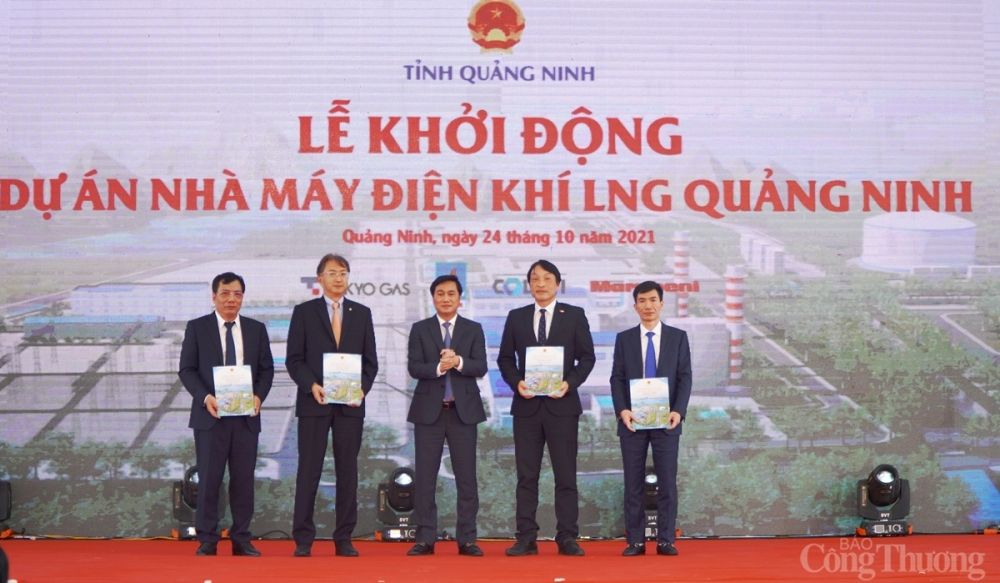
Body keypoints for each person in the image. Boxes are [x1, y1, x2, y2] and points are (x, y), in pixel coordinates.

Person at [497, 260, 595, 556]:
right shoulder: (516, 317)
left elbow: (587, 358)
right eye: (535, 278)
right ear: (529, 284)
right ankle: (526, 537)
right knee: (526, 477)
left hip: (562, 406)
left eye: (547, 278)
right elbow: (505, 359)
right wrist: (517, 383)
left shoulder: (574, 315)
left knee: (565, 475)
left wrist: (569, 383)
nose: (540, 283)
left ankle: (567, 537)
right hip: (526, 407)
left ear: (557, 284)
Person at [287, 254, 378, 557]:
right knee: (309, 470)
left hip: (350, 406)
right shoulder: (304, 313)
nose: (338, 278)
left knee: (347, 471)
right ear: (320, 278)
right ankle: (303, 539)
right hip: (314, 403)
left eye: (343, 273)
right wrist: (311, 385)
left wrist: (362, 389)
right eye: (332, 273)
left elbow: (370, 362)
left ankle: (344, 538)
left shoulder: (361, 313)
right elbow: (294, 359)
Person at [178, 272, 274, 557]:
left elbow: (267, 370)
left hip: (246, 418)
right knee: (209, 479)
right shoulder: (198, 328)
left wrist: (258, 396)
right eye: (225, 293)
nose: (231, 299)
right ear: (214, 296)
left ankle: (241, 538)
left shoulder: (256, 329)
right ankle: (207, 538)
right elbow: (187, 370)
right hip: (211, 417)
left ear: (242, 297)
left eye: (237, 294)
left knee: (243, 481)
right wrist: (205, 397)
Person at [405, 275, 487, 557]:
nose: (446, 298)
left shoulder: (473, 329)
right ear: (433, 298)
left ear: (459, 298)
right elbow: (414, 367)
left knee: (467, 479)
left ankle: (467, 539)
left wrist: (458, 362)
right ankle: (425, 538)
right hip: (429, 412)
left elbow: (480, 366)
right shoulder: (420, 329)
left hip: (463, 413)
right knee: (425, 478)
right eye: (440, 293)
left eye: (451, 293)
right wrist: (440, 367)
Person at [610, 280, 692, 556]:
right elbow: (617, 378)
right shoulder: (624, 339)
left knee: (667, 482)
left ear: (661, 304)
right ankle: (635, 541)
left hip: (667, 421)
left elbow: (685, 377)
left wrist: (678, 411)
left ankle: (666, 540)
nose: (648, 306)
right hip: (632, 422)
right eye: (642, 301)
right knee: (633, 483)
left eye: (653, 300)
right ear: (635, 306)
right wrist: (622, 410)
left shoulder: (677, 337)